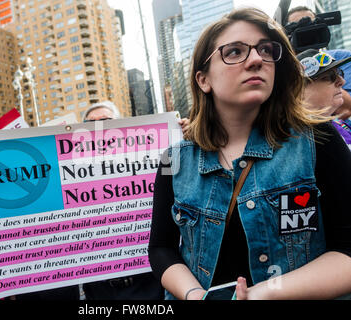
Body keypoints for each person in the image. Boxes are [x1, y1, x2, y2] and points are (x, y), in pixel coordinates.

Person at [148, 7, 351, 300]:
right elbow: (161, 249)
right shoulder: (173, 161)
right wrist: (195, 295)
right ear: (203, 79)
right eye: (234, 52)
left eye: (266, 50)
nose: (256, 59)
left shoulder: (318, 139)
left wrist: (261, 294)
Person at [81, 101, 165, 300]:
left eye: (106, 121)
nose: (99, 127)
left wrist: (183, 133)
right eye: (90, 123)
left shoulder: (149, 157)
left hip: (151, 283)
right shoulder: (76, 171)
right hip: (100, 292)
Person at [287, 6, 351, 120]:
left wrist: (317, 63)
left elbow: (346, 110)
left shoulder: (343, 57)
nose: (308, 32)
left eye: (312, 24)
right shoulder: (284, 67)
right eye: (298, 26)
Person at [297, 49, 351, 150]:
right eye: (329, 77)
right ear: (299, 90)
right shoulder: (299, 140)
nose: (342, 81)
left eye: (340, 73)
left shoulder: (338, 123)